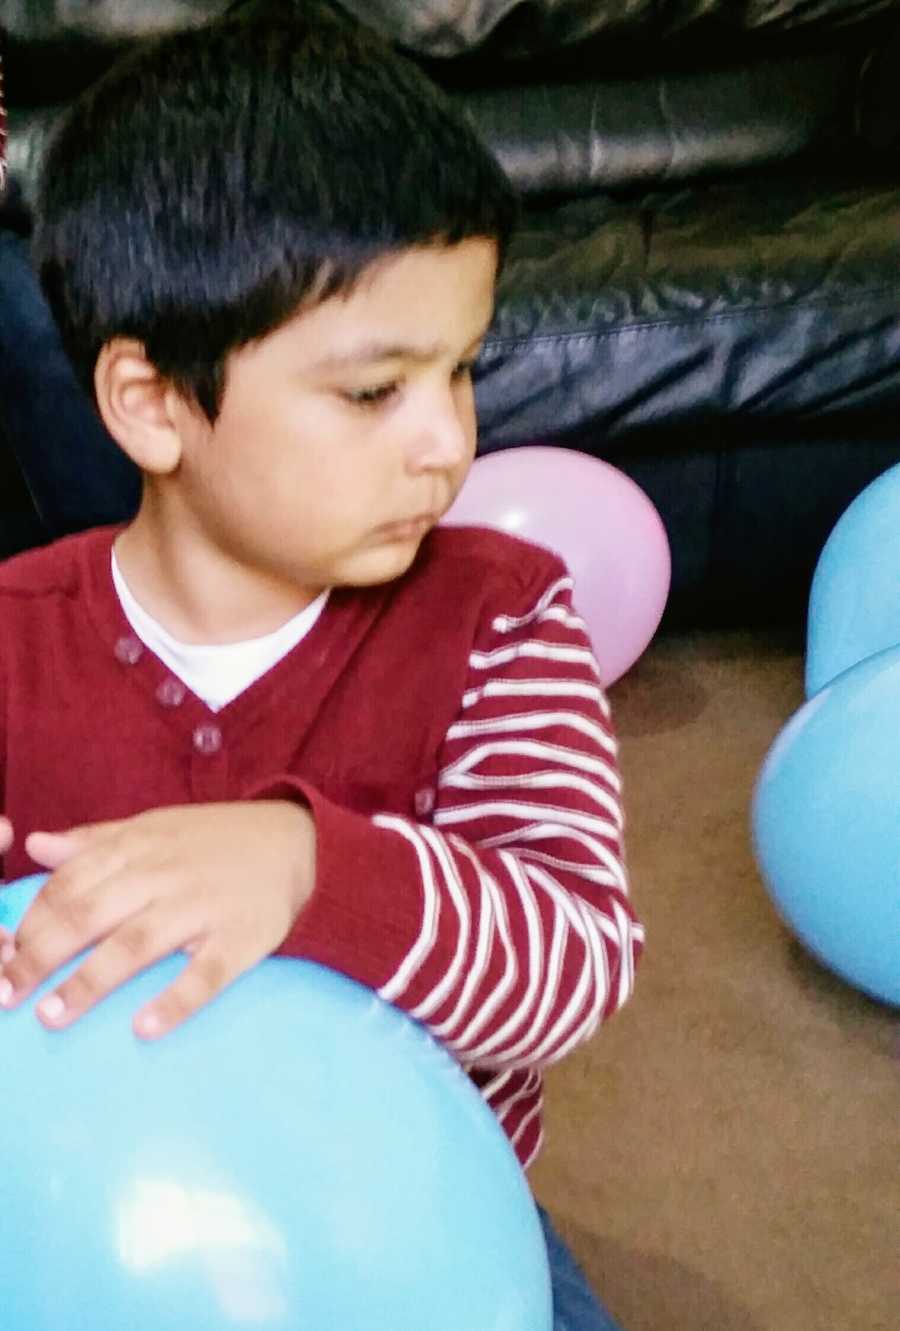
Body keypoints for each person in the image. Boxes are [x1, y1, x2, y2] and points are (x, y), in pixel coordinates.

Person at [0, 7, 642, 1326]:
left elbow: (575, 962)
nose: (446, 446)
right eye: (374, 392)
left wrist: (309, 869)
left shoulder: (500, 622)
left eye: (462, 370)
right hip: (75, 1226)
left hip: (408, 1229)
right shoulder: (15, 637)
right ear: (155, 404)